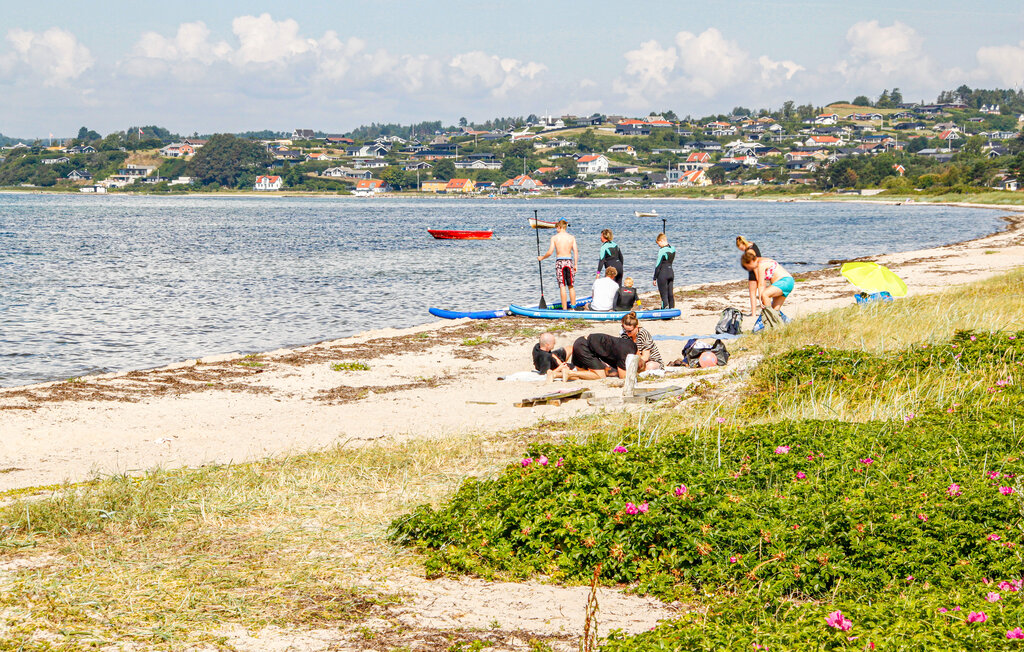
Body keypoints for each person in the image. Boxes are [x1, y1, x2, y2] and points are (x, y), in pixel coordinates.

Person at [554, 332, 637, 381]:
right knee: (600, 375)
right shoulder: (625, 353)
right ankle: (569, 373)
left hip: (581, 342)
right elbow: (623, 377)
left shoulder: (630, 345)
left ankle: (555, 374)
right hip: (584, 346)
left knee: (582, 375)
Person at [537, 220, 579, 310]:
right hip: (569, 262)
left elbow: (550, 252)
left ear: (560, 227)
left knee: (562, 286)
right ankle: (573, 307)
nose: (556, 229)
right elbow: (575, 251)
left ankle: (564, 309)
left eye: (556, 227)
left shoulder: (555, 238)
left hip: (560, 262)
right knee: (571, 286)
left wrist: (542, 257)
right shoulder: (571, 237)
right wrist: (575, 264)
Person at [736, 236, 762, 316]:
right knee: (761, 291)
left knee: (752, 293)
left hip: (754, 272)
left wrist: (758, 277)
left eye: (740, 248)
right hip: (760, 269)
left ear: (743, 244)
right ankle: (761, 310)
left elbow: (753, 264)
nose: (741, 250)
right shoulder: (752, 244)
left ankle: (754, 313)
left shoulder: (749, 251)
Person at [653, 233, 675, 309]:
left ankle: (664, 311)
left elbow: (658, 265)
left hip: (663, 274)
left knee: (664, 295)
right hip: (671, 273)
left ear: (661, 241)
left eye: (658, 243)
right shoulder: (673, 249)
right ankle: (672, 310)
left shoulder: (662, 251)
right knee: (670, 294)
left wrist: (654, 278)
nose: (658, 245)